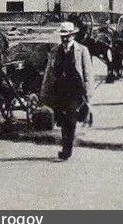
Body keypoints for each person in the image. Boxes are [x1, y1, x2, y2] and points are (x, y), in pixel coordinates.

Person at [40, 21, 94, 161]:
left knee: (70, 119)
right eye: (62, 36)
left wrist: (88, 95)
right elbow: (49, 72)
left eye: (67, 36)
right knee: (62, 120)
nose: (65, 39)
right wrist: (44, 92)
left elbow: (88, 74)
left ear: (73, 35)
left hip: (75, 91)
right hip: (59, 91)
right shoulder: (55, 51)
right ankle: (66, 146)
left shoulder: (82, 51)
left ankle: (66, 149)